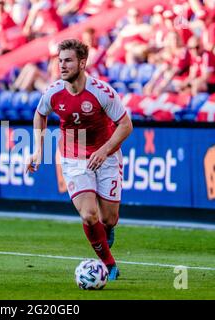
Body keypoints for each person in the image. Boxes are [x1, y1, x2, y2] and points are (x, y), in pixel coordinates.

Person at [26, 39, 133, 281]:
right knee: (88, 214)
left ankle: (107, 229)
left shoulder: (102, 92)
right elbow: (40, 115)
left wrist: (104, 151)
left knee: (108, 218)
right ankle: (109, 263)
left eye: (68, 61)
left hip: (106, 155)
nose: (62, 66)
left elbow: (126, 125)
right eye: (60, 60)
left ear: (82, 63)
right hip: (73, 158)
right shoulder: (53, 92)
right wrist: (37, 150)